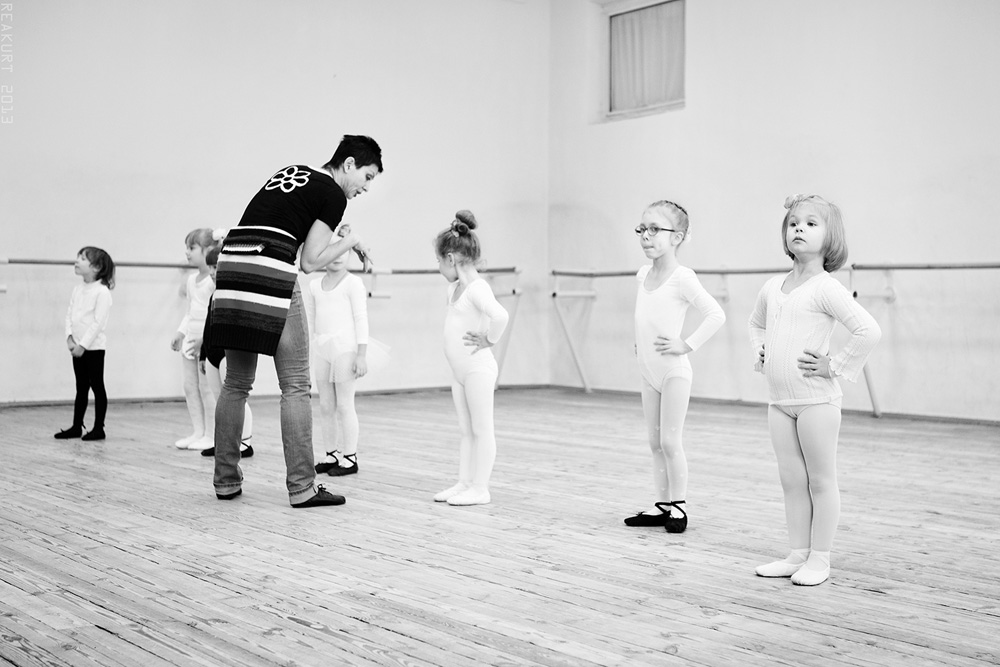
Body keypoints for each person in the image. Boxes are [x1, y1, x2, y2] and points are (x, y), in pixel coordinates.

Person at [209, 134, 382, 508]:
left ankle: (225, 480)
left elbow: (291, 228)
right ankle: (303, 486)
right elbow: (309, 261)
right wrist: (353, 242)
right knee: (295, 385)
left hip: (233, 265)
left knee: (236, 382)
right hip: (270, 270)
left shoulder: (293, 173)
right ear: (348, 165)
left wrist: (347, 241)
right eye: (367, 177)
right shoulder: (333, 195)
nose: (365, 188)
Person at [749, 194, 881, 586]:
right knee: (791, 480)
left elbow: (868, 330)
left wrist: (835, 366)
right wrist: (760, 350)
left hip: (816, 401)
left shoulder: (827, 288)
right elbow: (755, 324)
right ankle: (797, 553)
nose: (799, 229)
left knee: (820, 480)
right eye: (793, 223)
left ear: (830, 237)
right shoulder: (773, 287)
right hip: (779, 402)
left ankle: (820, 558)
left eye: (810, 223)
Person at [624, 200, 726, 534]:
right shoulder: (643, 275)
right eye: (642, 229)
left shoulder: (683, 278)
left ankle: (679, 506)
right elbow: (645, 317)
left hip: (673, 371)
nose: (645, 236)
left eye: (655, 229)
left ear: (677, 236)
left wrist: (686, 344)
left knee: (670, 441)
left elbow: (716, 314)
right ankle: (662, 504)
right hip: (647, 371)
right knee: (653, 443)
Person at [432, 210, 509, 506]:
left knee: (481, 428)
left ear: (450, 258)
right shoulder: (455, 288)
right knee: (466, 431)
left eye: (439, 261)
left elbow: (500, 315)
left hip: (478, 369)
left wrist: (488, 340)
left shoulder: (477, 288)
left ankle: (481, 487)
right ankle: (465, 481)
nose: (439, 267)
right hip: (459, 372)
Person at [306, 230, 389, 477]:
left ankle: (350, 457)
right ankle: (331, 454)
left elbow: (361, 319)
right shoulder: (313, 286)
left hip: (346, 349)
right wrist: (310, 347)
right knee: (325, 405)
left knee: (344, 404)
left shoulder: (353, 283)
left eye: (343, 250)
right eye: (332, 251)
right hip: (322, 348)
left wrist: (361, 354)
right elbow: (310, 321)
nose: (337, 256)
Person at [198, 245, 254, 459]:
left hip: (228, 353)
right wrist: (204, 354)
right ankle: (223, 441)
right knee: (219, 400)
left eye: (217, 266)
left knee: (236, 398)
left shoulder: (236, 293)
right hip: (212, 353)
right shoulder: (214, 295)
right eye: (210, 266)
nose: (213, 271)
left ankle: (245, 442)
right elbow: (208, 326)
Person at [55, 246, 116, 442]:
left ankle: (99, 427)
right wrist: (69, 338)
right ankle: (76, 426)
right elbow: (69, 315)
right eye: (78, 257)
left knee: (97, 385)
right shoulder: (78, 289)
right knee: (81, 387)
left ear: (97, 267)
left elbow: (98, 323)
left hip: (93, 348)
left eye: (82, 258)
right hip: (77, 347)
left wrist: (83, 345)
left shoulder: (102, 292)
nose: (77, 261)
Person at [172, 228, 222, 451]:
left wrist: (205, 339)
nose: (187, 253)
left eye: (192, 248)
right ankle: (198, 431)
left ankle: (212, 435)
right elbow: (190, 311)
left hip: (205, 342)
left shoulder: (213, 280)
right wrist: (180, 333)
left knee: (207, 389)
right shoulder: (192, 280)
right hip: (190, 341)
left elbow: (214, 313)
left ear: (208, 250)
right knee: (189, 387)